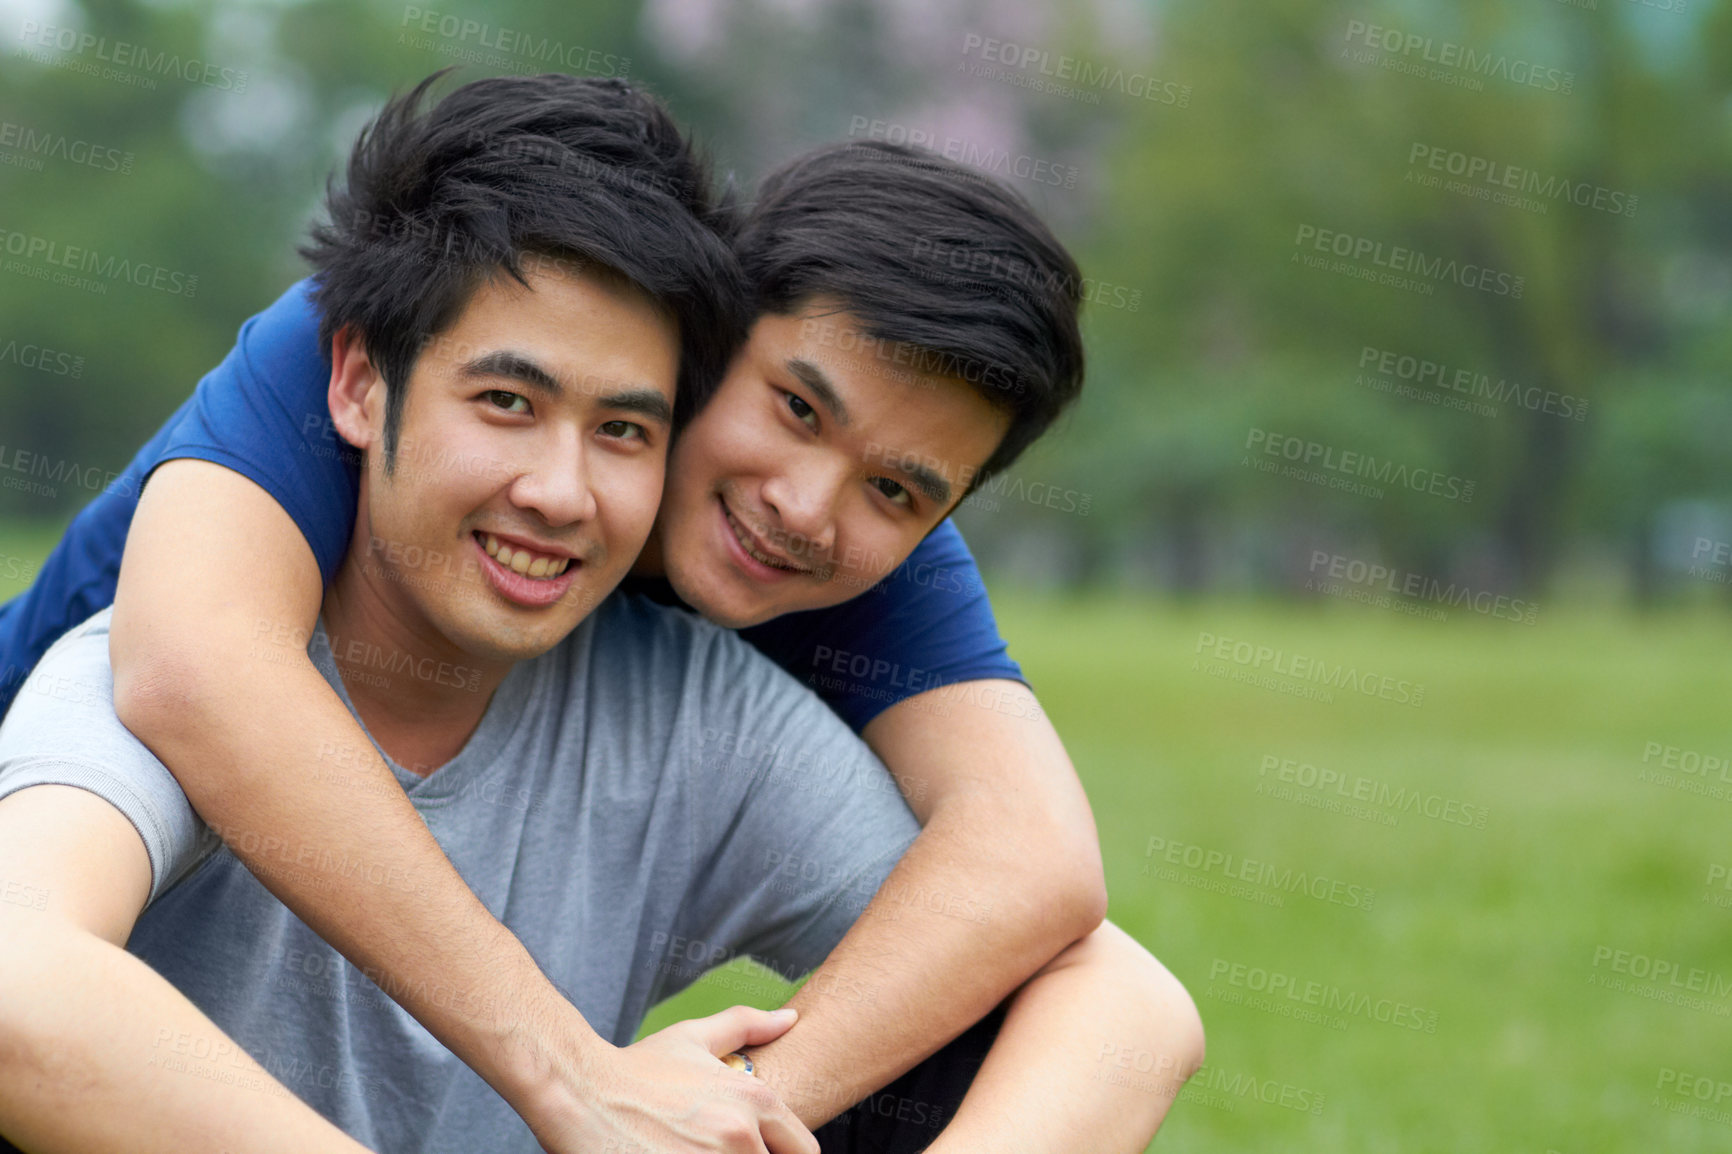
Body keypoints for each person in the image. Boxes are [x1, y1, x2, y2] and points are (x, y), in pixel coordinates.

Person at [0, 73, 1203, 1151]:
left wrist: (720, 1110)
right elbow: (195, 671)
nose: (804, 504)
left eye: (895, 491)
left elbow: (1045, 878)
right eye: (793, 406)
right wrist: (572, 1073)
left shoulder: (803, 614)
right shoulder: (342, 357)